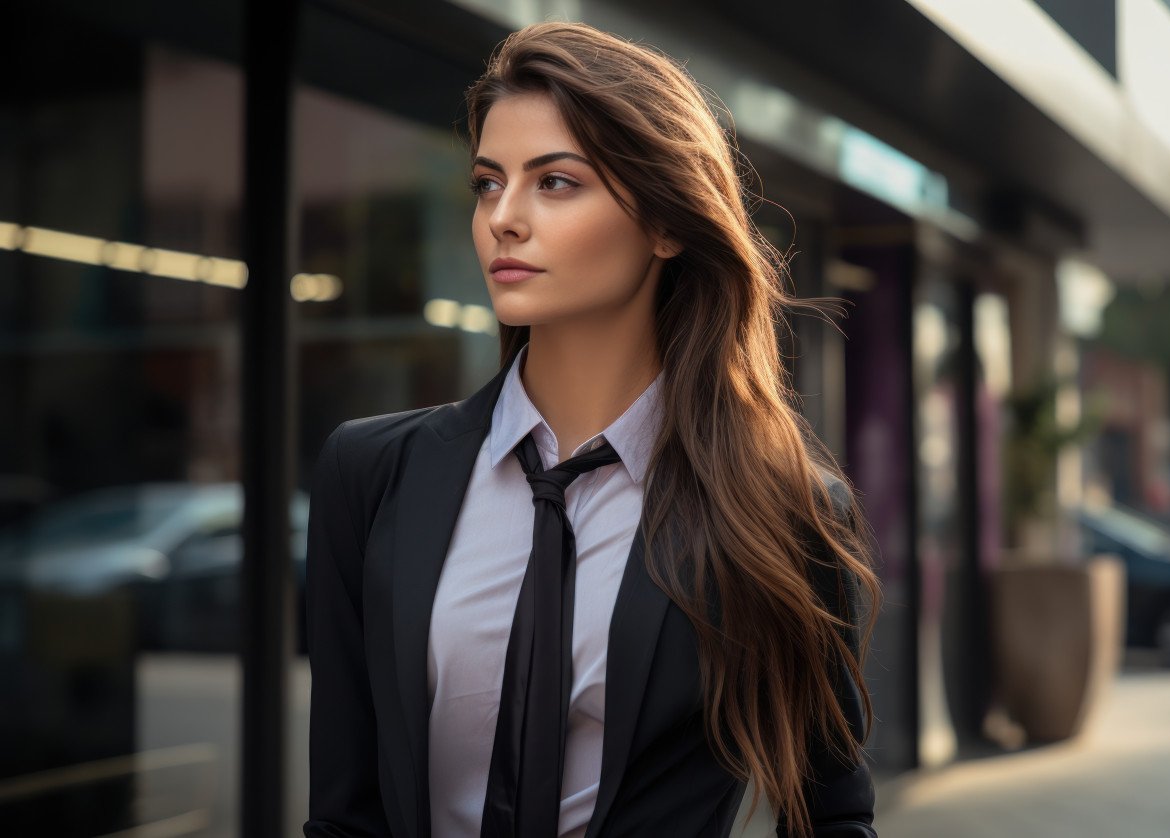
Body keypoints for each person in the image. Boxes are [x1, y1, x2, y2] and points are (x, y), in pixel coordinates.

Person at [304, 21, 881, 838]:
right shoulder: (369, 473)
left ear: (666, 224)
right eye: (487, 182)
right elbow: (343, 815)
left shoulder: (781, 510)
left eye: (557, 182)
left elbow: (831, 817)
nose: (503, 217)